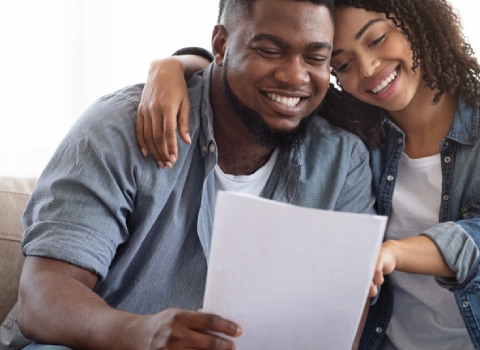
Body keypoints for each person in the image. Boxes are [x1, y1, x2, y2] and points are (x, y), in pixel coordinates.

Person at [137, 0, 480, 349]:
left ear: (417, 20)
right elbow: (252, 70)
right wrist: (171, 67)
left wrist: (390, 252)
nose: (370, 69)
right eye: (343, 64)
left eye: (377, 39)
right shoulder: (355, 128)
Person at [0, 0, 376, 349]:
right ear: (222, 44)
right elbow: (42, 295)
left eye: (315, 57)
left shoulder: (343, 164)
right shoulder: (118, 130)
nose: (296, 76)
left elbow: (339, 321)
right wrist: (141, 333)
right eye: (269, 50)